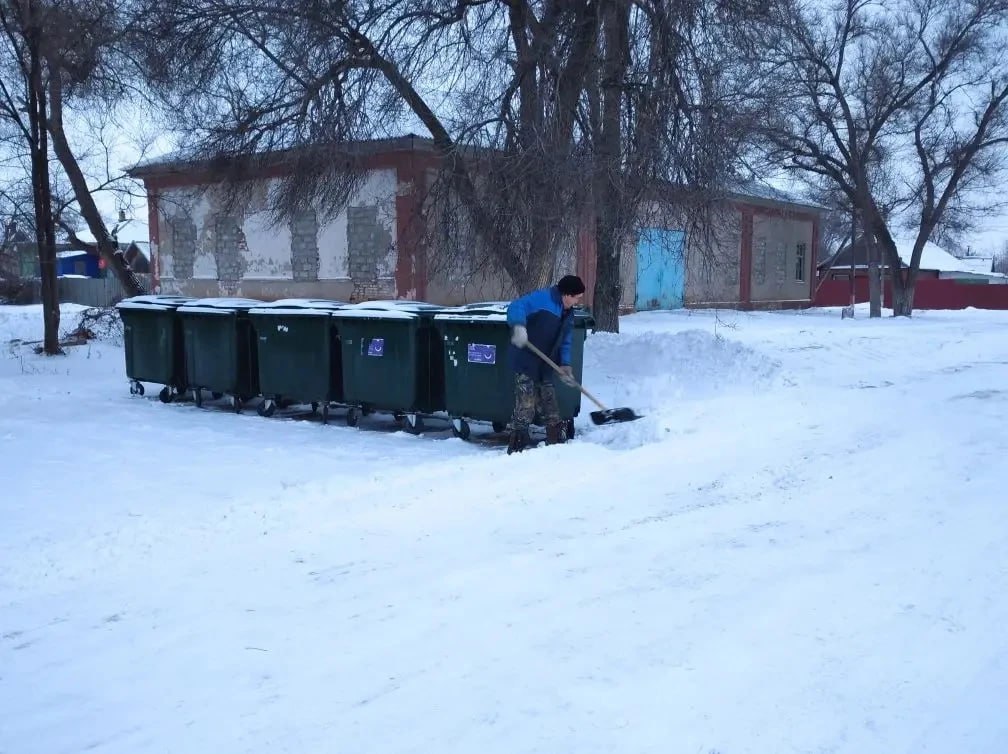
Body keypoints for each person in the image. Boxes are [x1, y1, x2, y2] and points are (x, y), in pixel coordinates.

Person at [505, 274, 586, 454]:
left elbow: (566, 340)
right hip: (526, 358)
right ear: (566, 294)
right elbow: (516, 306)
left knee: (549, 402)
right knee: (526, 404)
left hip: (545, 362)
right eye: (576, 297)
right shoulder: (543, 299)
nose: (577, 301)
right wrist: (518, 326)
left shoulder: (568, 313)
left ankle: (555, 444)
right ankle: (517, 446)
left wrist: (565, 364)